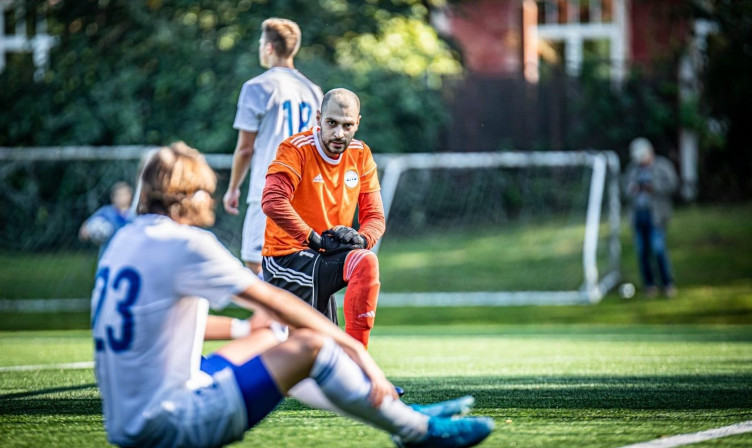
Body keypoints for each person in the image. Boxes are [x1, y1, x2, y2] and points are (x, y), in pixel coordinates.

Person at [91, 142, 494, 448]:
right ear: (189, 195)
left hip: (128, 421)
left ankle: (397, 414)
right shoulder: (185, 243)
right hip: (173, 421)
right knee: (313, 345)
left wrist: (241, 329)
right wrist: (360, 356)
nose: (210, 198)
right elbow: (278, 302)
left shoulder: (123, 241)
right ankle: (415, 430)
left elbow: (154, 318)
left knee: (270, 337)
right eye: (206, 190)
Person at [261, 88, 385, 350]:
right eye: (332, 123)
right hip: (286, 257)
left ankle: (356, 367)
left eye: (347, 125)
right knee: (307, 355)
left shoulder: (361, 154)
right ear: (318, 119)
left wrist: (361, 238)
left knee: (364, 260)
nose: (339, 134)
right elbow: (272, 201)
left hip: (322, 257)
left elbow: (375, 217)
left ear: (357, 123)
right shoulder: (295, 149)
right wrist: (313, 238)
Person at [224, 17, 323, 275]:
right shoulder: (314, 91)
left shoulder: (257, 87)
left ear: (268, 47)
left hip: (269, 190)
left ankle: (272, 316)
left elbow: (245, 149)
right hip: (305, 192)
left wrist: (233, 188)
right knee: (299, 267)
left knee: (256, 262)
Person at [623, 137, 679, 298]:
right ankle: (649, 285)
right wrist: (633, 189)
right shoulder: (632, 169)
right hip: (638, 216)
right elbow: (624, 189)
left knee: (658, 249)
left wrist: (653, 188)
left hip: (656, 216)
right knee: (642, 252)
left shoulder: (662, 165)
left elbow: (673, 185)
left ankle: (668, 284)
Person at [79, 181, 133, 252]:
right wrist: (92, 233)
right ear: (113, 197)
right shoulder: (105, 212)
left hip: (128, 255)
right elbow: (84, 231)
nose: (121, 197)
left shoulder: (135, 214)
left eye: (124, 194)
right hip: (108, 256)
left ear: (130, 195)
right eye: (118, 195)